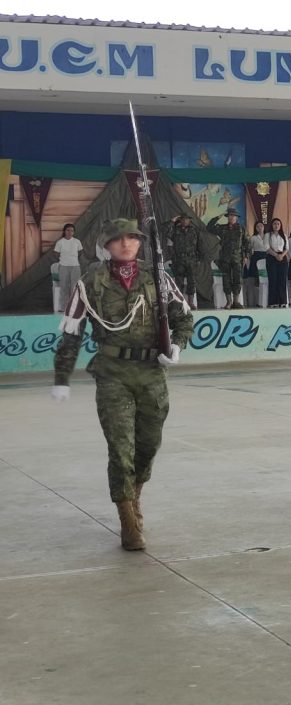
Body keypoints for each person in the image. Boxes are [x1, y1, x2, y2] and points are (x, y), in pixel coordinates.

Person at [51, 219, 194, 551]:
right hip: (112, 372)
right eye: (118, 239)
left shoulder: (157, 277)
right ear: (106, 245)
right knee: (120, 448)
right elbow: (72, 331)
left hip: (151, 372)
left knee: (148, 445)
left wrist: (176, 345)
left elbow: (184, 317)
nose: (126, 244)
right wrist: (62, 377)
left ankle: (135, 494)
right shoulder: (91, 281)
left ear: (140, 243)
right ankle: (128, 519)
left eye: (132, 238)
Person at [206, 207, 250, 309]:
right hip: (225, 258)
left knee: (237, 280)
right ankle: (228, 302)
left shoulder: (241, 228)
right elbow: (209, 227)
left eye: (234, 216)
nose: (232, 218)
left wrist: (246, 256)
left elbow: (247, 243)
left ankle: (236, 301)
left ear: (236, 218)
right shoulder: (222, 228)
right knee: (226, 279)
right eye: (230, 216)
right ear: (227, 217)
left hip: (237, 258)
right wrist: (219, 216)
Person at [168, 213, 201, 307]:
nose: (185, 221)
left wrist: (199, 258)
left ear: (190, 221)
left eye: (187, 219)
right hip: (179, 260)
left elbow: (199, 244)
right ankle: (180, 302)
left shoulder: (194, 230)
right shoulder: (175, 230)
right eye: (183, 219)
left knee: (192, 282)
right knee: (179, 282)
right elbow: (164, 230)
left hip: (192, 259)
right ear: (180, 220)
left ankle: (190, 303)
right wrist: (172, 221)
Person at [53, 223, 84, 311]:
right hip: (63, 266)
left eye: (72, 231)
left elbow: (80, 252)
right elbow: (56, 253)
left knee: (75, 287)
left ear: (74, 232)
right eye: (68, 230)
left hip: (75, 267)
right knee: (64, 287)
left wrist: (73, 258)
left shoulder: (77, 241)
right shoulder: (60, 242)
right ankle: (63, 307)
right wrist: (64, 259)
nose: (70, 232)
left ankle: (74, 307)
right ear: (64, 231)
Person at [243, 220, 268, 309]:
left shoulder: (268, 236)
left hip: (267, 257)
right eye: (257, 226)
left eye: (261, 226)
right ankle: (257, 301)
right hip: (256, 257)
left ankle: (265, 300)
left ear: (264, 227)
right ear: (255, 228)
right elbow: (250, 250)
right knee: (256, 280)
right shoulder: (253, 238)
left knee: (266, 280)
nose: (260, 228)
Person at [265, 218, 289, 308]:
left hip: (282, 257)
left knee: (282, 280)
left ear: (280, 225)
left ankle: (282, 301)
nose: (276, 225)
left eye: (278, 224)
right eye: (275, 224)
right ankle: (273, 302)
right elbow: (267, 248)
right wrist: (276, 255)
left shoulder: (284, 235)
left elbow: (287, 248)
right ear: (272, 225)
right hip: (271, 257)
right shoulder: (268, 235)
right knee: (273, 280)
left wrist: (281, 255)